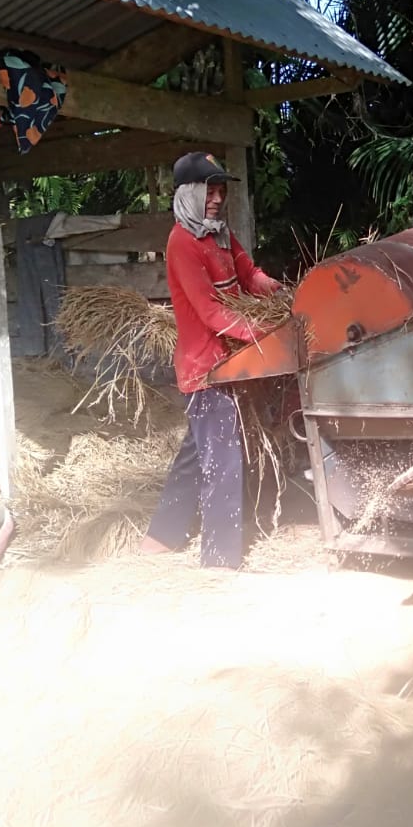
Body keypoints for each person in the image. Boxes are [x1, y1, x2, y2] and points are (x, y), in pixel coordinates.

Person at [138, 152, 281, 568]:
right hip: (206, 368)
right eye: (208, 190)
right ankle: (220, 559)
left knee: (198, 452)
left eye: (221, 190)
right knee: (224, 459)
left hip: (230, 359)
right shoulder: (182, 243)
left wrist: (280, 292)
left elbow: (248, 273)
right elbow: (210, 312)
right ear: (188, 193)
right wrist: (263, 333)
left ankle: (161, 537)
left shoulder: (218, 234)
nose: (216, 198)